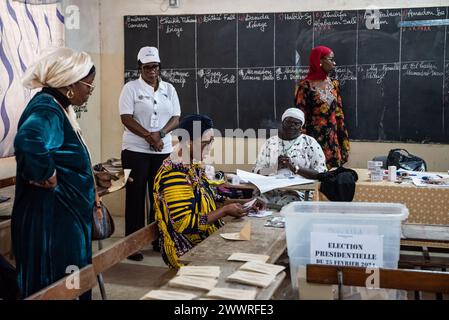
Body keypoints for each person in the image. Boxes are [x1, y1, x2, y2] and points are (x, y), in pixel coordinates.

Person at [12, 47, 96, 299]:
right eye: (88, 86)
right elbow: (29, 138)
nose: (90, 92)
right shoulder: (48, 110)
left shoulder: (58, 106)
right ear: (70, 83)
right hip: (53, 225)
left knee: (70, 283)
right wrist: (45, 173)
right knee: (60, 286)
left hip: (64, 220)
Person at [153, 114, 264, 269]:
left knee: (256, 248)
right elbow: (184, 224)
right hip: (185, 250)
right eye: (206, 142)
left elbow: (214, 197)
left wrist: (245, 203)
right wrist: (224, 211)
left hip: (205, 237)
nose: (210, 147)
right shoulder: (174, 175)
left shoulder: (192, 166)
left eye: (212, 141)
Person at [119, 46, 180, 261]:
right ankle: (133, 244)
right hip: (135, 150)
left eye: (155, 66)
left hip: (162, 150)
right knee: (135, 197)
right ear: (139, 68)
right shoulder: (130, 88)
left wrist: (161, 134)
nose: (151, 71)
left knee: (159, 195)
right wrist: (148, 136)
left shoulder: (169, 89)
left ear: (159, 67)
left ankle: (158, 239)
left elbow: (176, 117)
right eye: (146, 67)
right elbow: (126, 118)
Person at [253, 108, 327, 203]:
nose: (292, 126)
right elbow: (257, 172)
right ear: (282, 123)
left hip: (298, 191)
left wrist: (294, 168)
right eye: (288, 122)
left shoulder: (309, 143)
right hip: (270, 189)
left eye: (296, 123)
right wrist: (274, 168)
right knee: (256, 203)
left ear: (301, 127)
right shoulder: (270, 143)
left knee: (286, 203)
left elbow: (321, 174)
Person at [294, 45, 350, 169]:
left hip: (332, 142)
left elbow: (339, 114)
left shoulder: (334, 84)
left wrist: (343, 142)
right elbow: (299, 118)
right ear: (319, 61)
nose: (334, 63)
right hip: (313, 140)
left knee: (331, 180)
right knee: (314, 177)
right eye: (331, 59)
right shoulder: (305, 86)